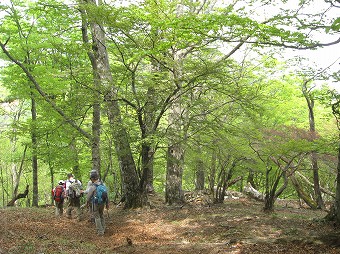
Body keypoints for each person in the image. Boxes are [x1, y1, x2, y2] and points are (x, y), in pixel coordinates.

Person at [86, 170, 109, 235]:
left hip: (95, 203)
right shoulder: (103, 184)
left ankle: (100, 231)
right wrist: (107, 203)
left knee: (97, 217)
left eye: (91, 179)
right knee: (101, 214)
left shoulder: (93, 186)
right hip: (103, 202)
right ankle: (104, 228)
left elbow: (88, 197)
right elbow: (106, 194)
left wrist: (87, 203)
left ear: (92, 179)